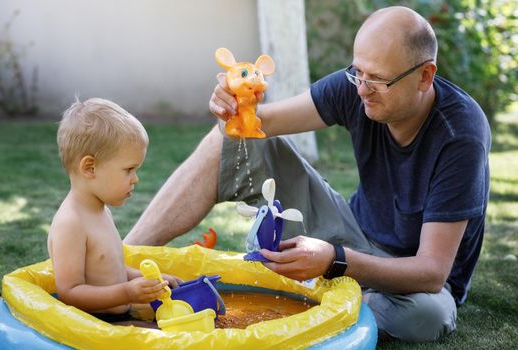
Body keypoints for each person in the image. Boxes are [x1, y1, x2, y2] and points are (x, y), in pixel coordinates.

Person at [124, 6, 491, 341]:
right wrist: (235, 108)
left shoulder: (461, 134)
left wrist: (335, 260)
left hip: (415, 287)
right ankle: (118, 264)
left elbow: (431, 272)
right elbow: (256, 128)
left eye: (376, 79)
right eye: (357, 72)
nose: (362, 89)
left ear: (425, 76)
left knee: (424, 318)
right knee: (232, 139)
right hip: (353, 235)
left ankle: (330, 292)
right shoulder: (357, 86)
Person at [48, 98, 180, 325]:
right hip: (96, 325)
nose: (135, 179)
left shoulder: (100, 211)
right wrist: (127, 293)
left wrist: (154, 281)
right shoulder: (71, 223)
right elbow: (70, 292)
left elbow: (110, 269)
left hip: (119, 317)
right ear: (90, 168)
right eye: (128, 169)